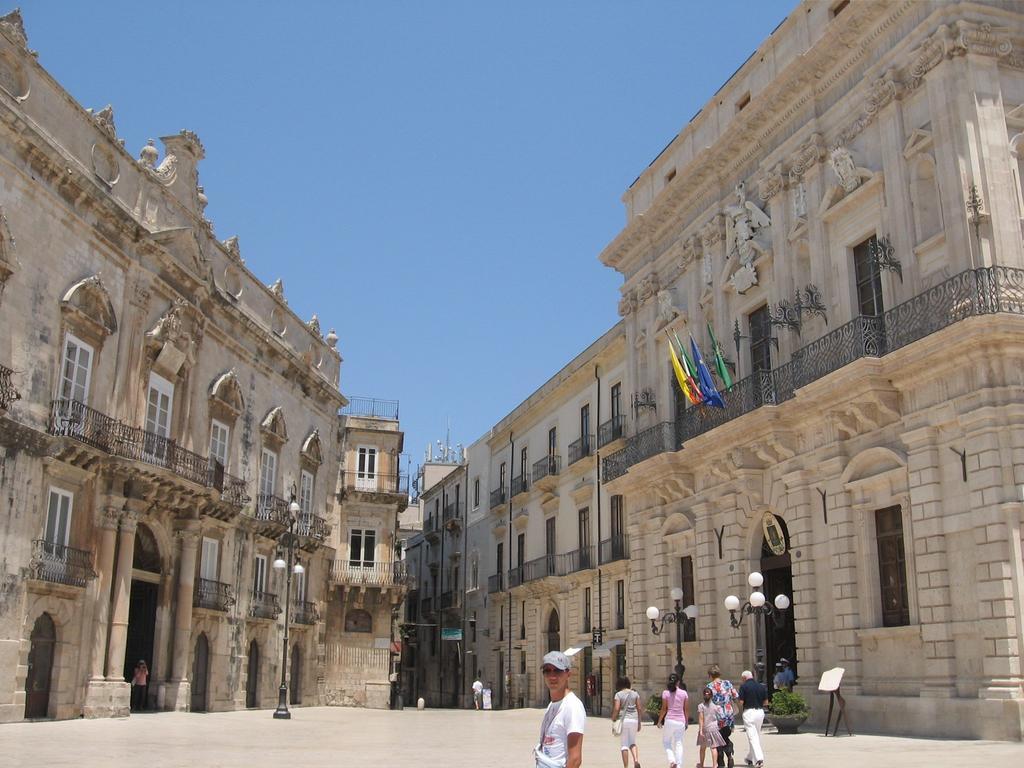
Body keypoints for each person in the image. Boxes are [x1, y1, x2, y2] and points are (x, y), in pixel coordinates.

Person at [535, 651, 585, 768]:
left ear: (568, 674)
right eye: (547, 671)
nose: (552, 676)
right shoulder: (552, 705)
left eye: (557, 670)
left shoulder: (572, 706)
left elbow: (575, 759)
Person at [705, 665, 738, 768]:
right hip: (728, 713)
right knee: (725, 735)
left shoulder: (709, 686)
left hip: (716, 715)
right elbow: (736, 696)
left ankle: (721, 762)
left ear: (710, 675)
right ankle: (729, 754)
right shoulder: (727, 683)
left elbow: (706, 702)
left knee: (717, 739)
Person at [736, 671, 768, 768]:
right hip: (760, 713)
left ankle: (759, 759)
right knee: (755, 736)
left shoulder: (743, 686)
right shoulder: (761, 686)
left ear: (744, 678)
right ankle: (750, 757)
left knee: (752, 736)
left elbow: (741, 702)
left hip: (749, 713)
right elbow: (766, 702)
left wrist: (736, 700)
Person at [656, 672, 689, 768]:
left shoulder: (666, 693)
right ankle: (678, 765)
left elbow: (664, 709)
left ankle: (672, 760)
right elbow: (686, 709)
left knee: (666, 742)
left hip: (670, 720)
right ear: (678, 682)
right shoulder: (684, 693)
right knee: (679, 743)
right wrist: (686, 722)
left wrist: (659, 721)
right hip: (681, 720)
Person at [611, 676, 642, 768]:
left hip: (623, 720)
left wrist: (613, 718)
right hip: (634, 719)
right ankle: (636, 760)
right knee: (632, 742)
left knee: (624, 744)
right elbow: (639, 708)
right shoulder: (635, 694)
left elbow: (616, 708)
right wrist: (639, 722)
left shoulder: (618, 694)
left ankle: (626, 766)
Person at [696, 687, 727, 768]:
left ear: (703, 696)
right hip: (714, 728)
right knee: (713, 748)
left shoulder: (701, 706)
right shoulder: (716, 707)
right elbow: (721, 717)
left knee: (703, 748)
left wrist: (701, 730)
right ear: (712, 696)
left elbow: (701, 719)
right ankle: (714, 765)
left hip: (705, 729)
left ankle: (701, 764)